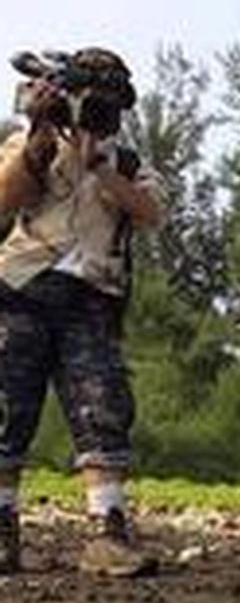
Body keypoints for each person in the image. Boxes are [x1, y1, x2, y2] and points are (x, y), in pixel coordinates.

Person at [0, 48, 162, 576]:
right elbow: (4, 200)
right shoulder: (31, 140)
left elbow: (149, 213)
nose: (97, 113)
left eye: (109, 106)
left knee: (103, 407)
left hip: (91, 292)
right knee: (7, 409)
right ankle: (3, 533)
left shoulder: (128, 161)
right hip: (20, 284)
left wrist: (101, 167)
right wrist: (39, 137)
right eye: (90, 102)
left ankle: (107, 531)